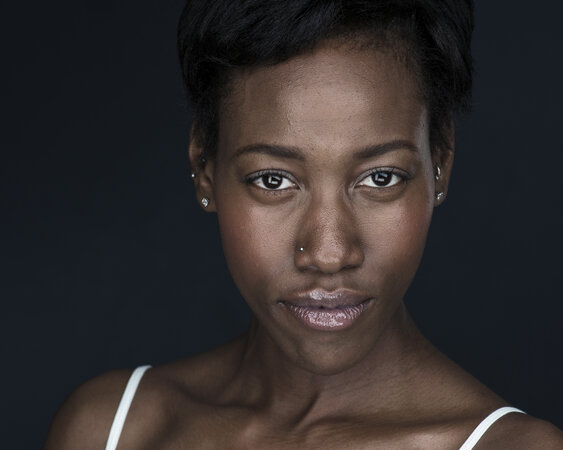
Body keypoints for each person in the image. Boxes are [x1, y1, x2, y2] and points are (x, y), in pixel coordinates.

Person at [45, 1, 563, 448]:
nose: (329, 253)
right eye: (273, 180)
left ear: (440, 163)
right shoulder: (111, 430)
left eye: (380, 177)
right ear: (205, 168)